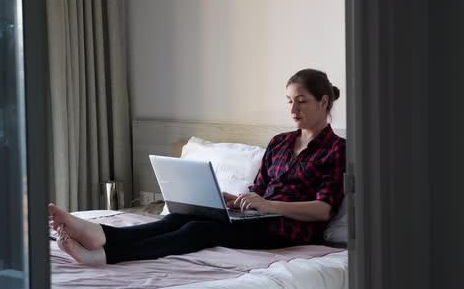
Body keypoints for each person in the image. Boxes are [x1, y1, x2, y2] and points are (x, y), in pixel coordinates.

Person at [49, 68, 346, 265]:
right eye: (289, 101)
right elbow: (259, 189)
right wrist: (234, 200)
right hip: (256, 218)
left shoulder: (336, 149)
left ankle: (106, 254)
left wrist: (268, 205)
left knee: (198, 231)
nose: (293, 110)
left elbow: (323, 209)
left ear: (323, 102)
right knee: (178, 218)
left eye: (302, 101)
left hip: (289, 230)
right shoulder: (280, 142)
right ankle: (99, 233)